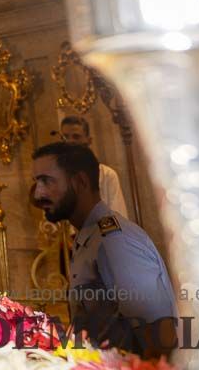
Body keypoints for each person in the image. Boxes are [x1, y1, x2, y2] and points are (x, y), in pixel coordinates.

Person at [31, 142, 176, 356]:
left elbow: (160, 336)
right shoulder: (89, 236)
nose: (38, 194)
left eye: (46, 181)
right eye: (37, 182)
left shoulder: (115, 241)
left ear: (80, 181)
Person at [57, 115, 129, 218]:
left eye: (76, 136)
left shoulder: (106, 175)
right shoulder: (56, 177)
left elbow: (118, 217)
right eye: (65, 137)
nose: (70, 142)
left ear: (88, 140)